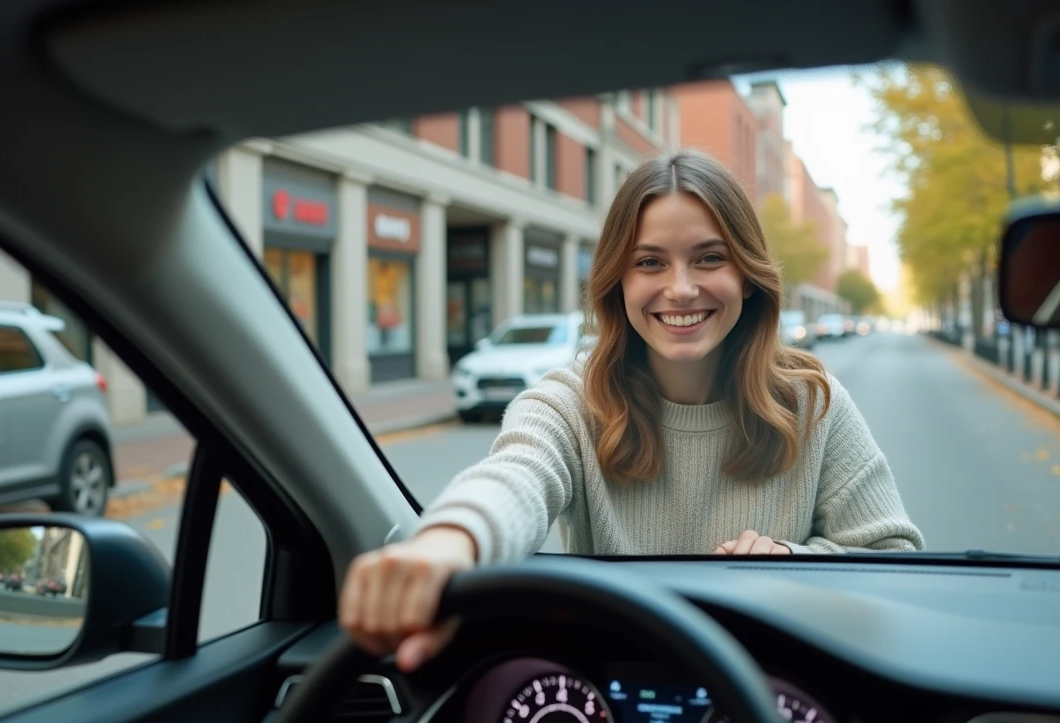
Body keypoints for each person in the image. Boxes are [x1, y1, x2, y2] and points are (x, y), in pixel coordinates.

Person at [340, 149, 924, 673]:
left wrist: (790, 565)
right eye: (649, 262)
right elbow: (514, 477)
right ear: (616, 281)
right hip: (611, 701)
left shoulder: (812, 403)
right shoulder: (570, 401)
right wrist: (445, 544)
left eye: (708, 258)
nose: (680, 288)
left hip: (778, 698)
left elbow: (896, 566)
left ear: (747, 276)